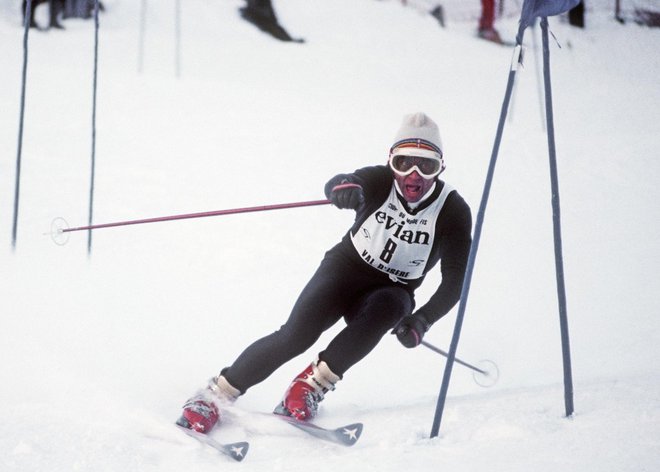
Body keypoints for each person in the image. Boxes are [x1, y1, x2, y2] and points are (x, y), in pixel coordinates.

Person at [177, 112, 473, 433]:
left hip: (392, 290)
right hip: (346, 270)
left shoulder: (453, 211)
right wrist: (344, 188)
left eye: (426, 165)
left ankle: (308, 387)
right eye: (403, 163)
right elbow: (344, 180)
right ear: (391, 163)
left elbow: (457, 280)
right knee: (295, 336)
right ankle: (215, 396)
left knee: (395, 304)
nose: (414, 175)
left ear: (440, 167)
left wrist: (423, 319)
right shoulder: (378, 181)